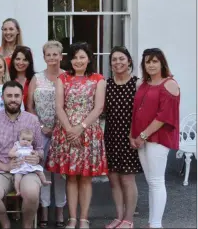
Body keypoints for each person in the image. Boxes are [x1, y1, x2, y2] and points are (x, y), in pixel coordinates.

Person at [46, 42, 107, 229]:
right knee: (71, 176)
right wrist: (69, 129)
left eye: (82, 57)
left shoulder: (98, 79)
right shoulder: (62, 79)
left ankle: (84, 218)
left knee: (86, 177)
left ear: (89, 59)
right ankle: (72, 218)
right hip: (66, 131)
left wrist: (80, 127)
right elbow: (58, 106)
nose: (78, 61)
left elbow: (98, 107)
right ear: (69, 60)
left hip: (88, 132)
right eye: (74, 57)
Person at [0, 81, 44, 229]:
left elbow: (40, 148)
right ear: (2, 97)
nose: (13, 99)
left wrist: (37, 156)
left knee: (32, 193)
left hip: (26, 169)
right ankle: (5, 224)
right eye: (9, 95)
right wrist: (5, 166)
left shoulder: (32, 120)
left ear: (22, 97)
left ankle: (27, 226)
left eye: (16, 95)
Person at [130, 48, 180, 229]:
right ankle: (152, 222)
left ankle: (156, 224)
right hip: (141, 139)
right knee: (151, 181)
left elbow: (164, 116)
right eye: (147, 62)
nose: (151, 65)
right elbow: (136, 112)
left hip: (158, 138)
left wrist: (143, 135)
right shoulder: (143, 84)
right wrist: (133, 135)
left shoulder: (169, 84)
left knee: (157, 181)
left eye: (154, 61)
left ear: (162, 63)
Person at [27, 41, 67, 228]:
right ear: (44, 57)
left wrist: (60, 125)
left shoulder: (67, 77)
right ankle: (43, 210)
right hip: (40, 130)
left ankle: (60, 211)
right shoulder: (37, 78)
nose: (52, 58)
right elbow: (29, 107)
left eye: (55, 54)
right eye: (48, 55)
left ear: (61, 56)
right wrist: (41, 125)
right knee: (41, 170)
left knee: (59, 173)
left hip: (62, 130)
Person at [103, 46, 141, 229]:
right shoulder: (107, 84)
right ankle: (118, 217)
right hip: (110, 136)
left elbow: (142, 112)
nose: (118, 62)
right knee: (114, 178)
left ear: (129, 61)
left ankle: (129, 219)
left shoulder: (137, 83)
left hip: (129, 137)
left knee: (127, 179)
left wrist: (137, 134)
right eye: (114, 60)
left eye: (121, 59)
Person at [9, 129, 51, 195]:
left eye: (28, 140)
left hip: (29, 165)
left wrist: (35, 153)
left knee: (40, 171)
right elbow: (10, 153)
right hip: (20, 166)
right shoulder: (17, 146)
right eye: (23, 139)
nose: (25, 142)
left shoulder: (30, 147)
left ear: (32, 141)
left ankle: (44, 181)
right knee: (17, 178)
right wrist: (15, 154)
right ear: (19, 138)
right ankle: (17, 190)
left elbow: (35, 153)